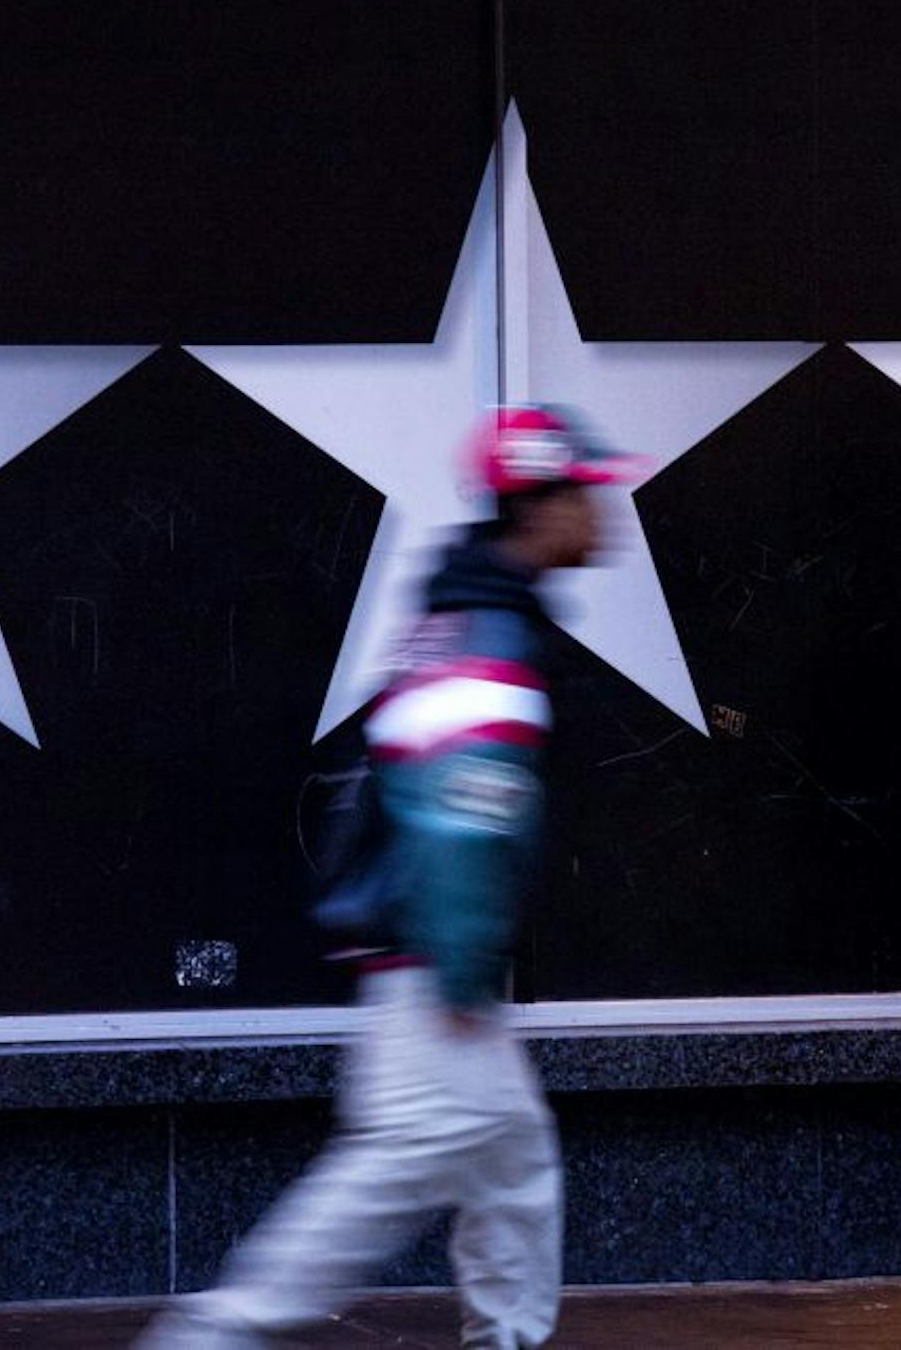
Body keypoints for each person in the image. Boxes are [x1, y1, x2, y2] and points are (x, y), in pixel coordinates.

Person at [139, 404, 640, 1350]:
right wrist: (460, 965)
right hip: (433, 956)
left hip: (425, 950)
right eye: (590, 491)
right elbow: (461, 815)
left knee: (511, 1160)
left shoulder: (466, 612)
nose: (606, 509)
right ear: (541, 502)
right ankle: (214, 1336)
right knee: (392, 1169)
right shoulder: (491, 631)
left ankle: (504, 1337)